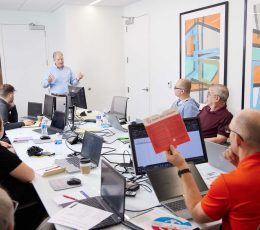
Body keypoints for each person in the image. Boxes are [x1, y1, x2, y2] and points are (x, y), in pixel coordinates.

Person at [166, 109, 260, 229]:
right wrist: (239, 166)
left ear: (237, 139)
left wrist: (182, 166)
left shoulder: (230, 183)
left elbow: (197, 213)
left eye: (230, 131)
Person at [0, 117, 47, 229]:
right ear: (1, 128)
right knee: (43, 190)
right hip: (9, 199)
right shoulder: (2, 154)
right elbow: (29, 175)